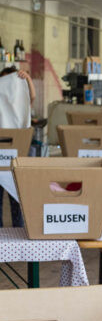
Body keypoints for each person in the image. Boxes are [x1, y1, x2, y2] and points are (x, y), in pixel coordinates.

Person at [0, 66, 35, 227]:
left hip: (17, 160)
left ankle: (18, 232)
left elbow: (31, 97)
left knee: (17, 199)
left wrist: (27, 79)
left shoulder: (22, 104)